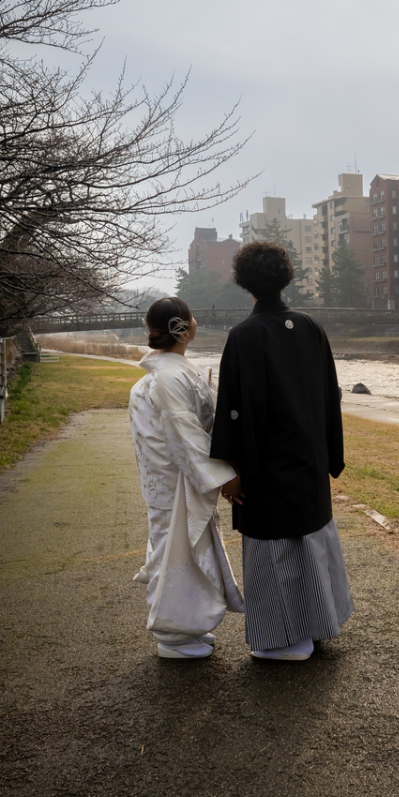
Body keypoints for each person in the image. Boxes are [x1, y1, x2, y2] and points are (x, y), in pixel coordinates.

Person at [210, 241, 353, 661]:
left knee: (276, 547)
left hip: (266, 463)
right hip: (308, 458)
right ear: (285, 277)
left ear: (244, 283)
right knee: (310, 537)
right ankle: (320, 624)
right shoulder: (310, 326)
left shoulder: (243, 336)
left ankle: (286, 640)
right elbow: (331, 395)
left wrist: (231, 470)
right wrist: (329, 453)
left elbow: (232, 409)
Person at [129, 297, 244, 660]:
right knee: (174, 552)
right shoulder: (169, 376)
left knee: (187, 550)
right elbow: (185, 434)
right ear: (184, 328)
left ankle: (190, 626)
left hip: (172, 478)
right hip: (175, 480)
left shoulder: (169, 372)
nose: (196, 321)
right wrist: (223, 477)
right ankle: (172, 633)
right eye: (192, 317)